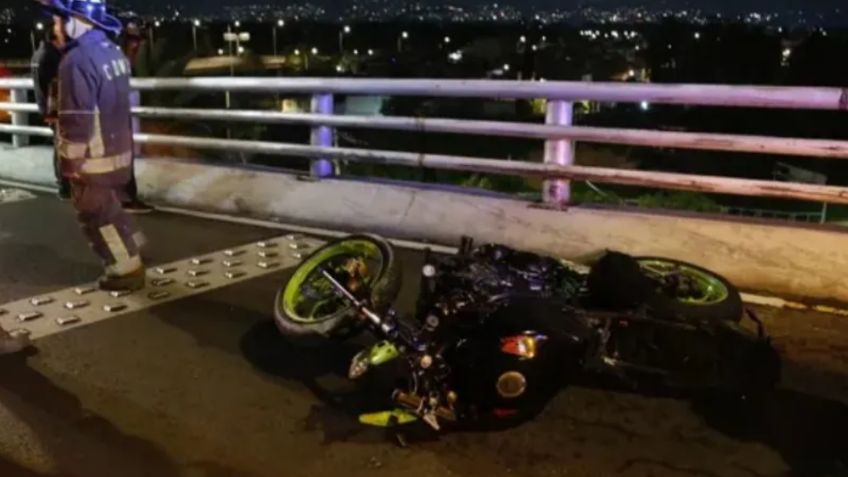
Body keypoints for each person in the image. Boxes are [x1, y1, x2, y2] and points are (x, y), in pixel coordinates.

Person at [49, 0, 147, 291]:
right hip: (118, 153)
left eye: (60, 20)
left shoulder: (76, 61)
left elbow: (75, 119)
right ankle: (134, 249)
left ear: (77, 21)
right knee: (111, 210)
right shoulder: (112, 51)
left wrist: (69, 164)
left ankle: (125, 268)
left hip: (94, 159)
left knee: (96, 216)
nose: (56, 27)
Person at [31, 14, 70, 199]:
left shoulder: (40, 53)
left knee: (61, 146)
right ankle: (64, 185)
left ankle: (65, 183)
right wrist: (51, 113)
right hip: (57, 110)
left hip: (51, 110)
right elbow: (51, 86)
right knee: (62, 147)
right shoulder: (50, 56)